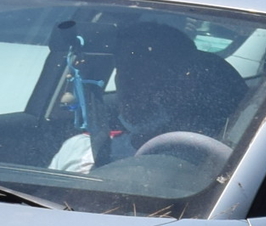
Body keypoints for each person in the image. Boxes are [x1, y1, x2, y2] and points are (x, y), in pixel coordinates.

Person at [48, 20, 244, 175]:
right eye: (126, 70)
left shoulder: (223, 161)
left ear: (188, 83)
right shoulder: (80, 150)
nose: (132, 84)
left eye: (153, 72)